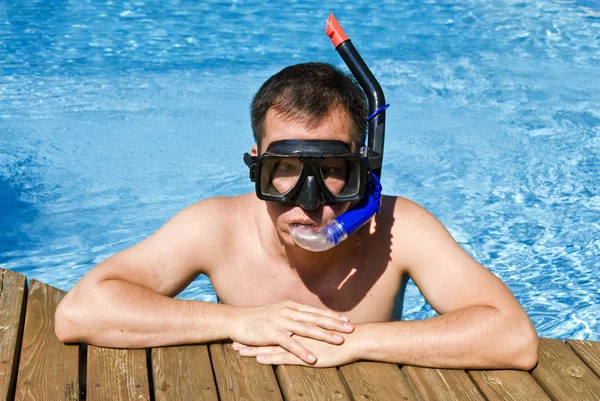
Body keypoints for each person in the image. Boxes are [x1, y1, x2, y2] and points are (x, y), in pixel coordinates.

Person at [55, 62, 538, 369]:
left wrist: (360, 342)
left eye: (332, 171)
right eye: (283, 171)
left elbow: (513, 338)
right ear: (255, 166)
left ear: (365, 169)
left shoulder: (398, 228)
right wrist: (239, 321)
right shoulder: (215, 227)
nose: (310, 202)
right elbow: (81, 312)